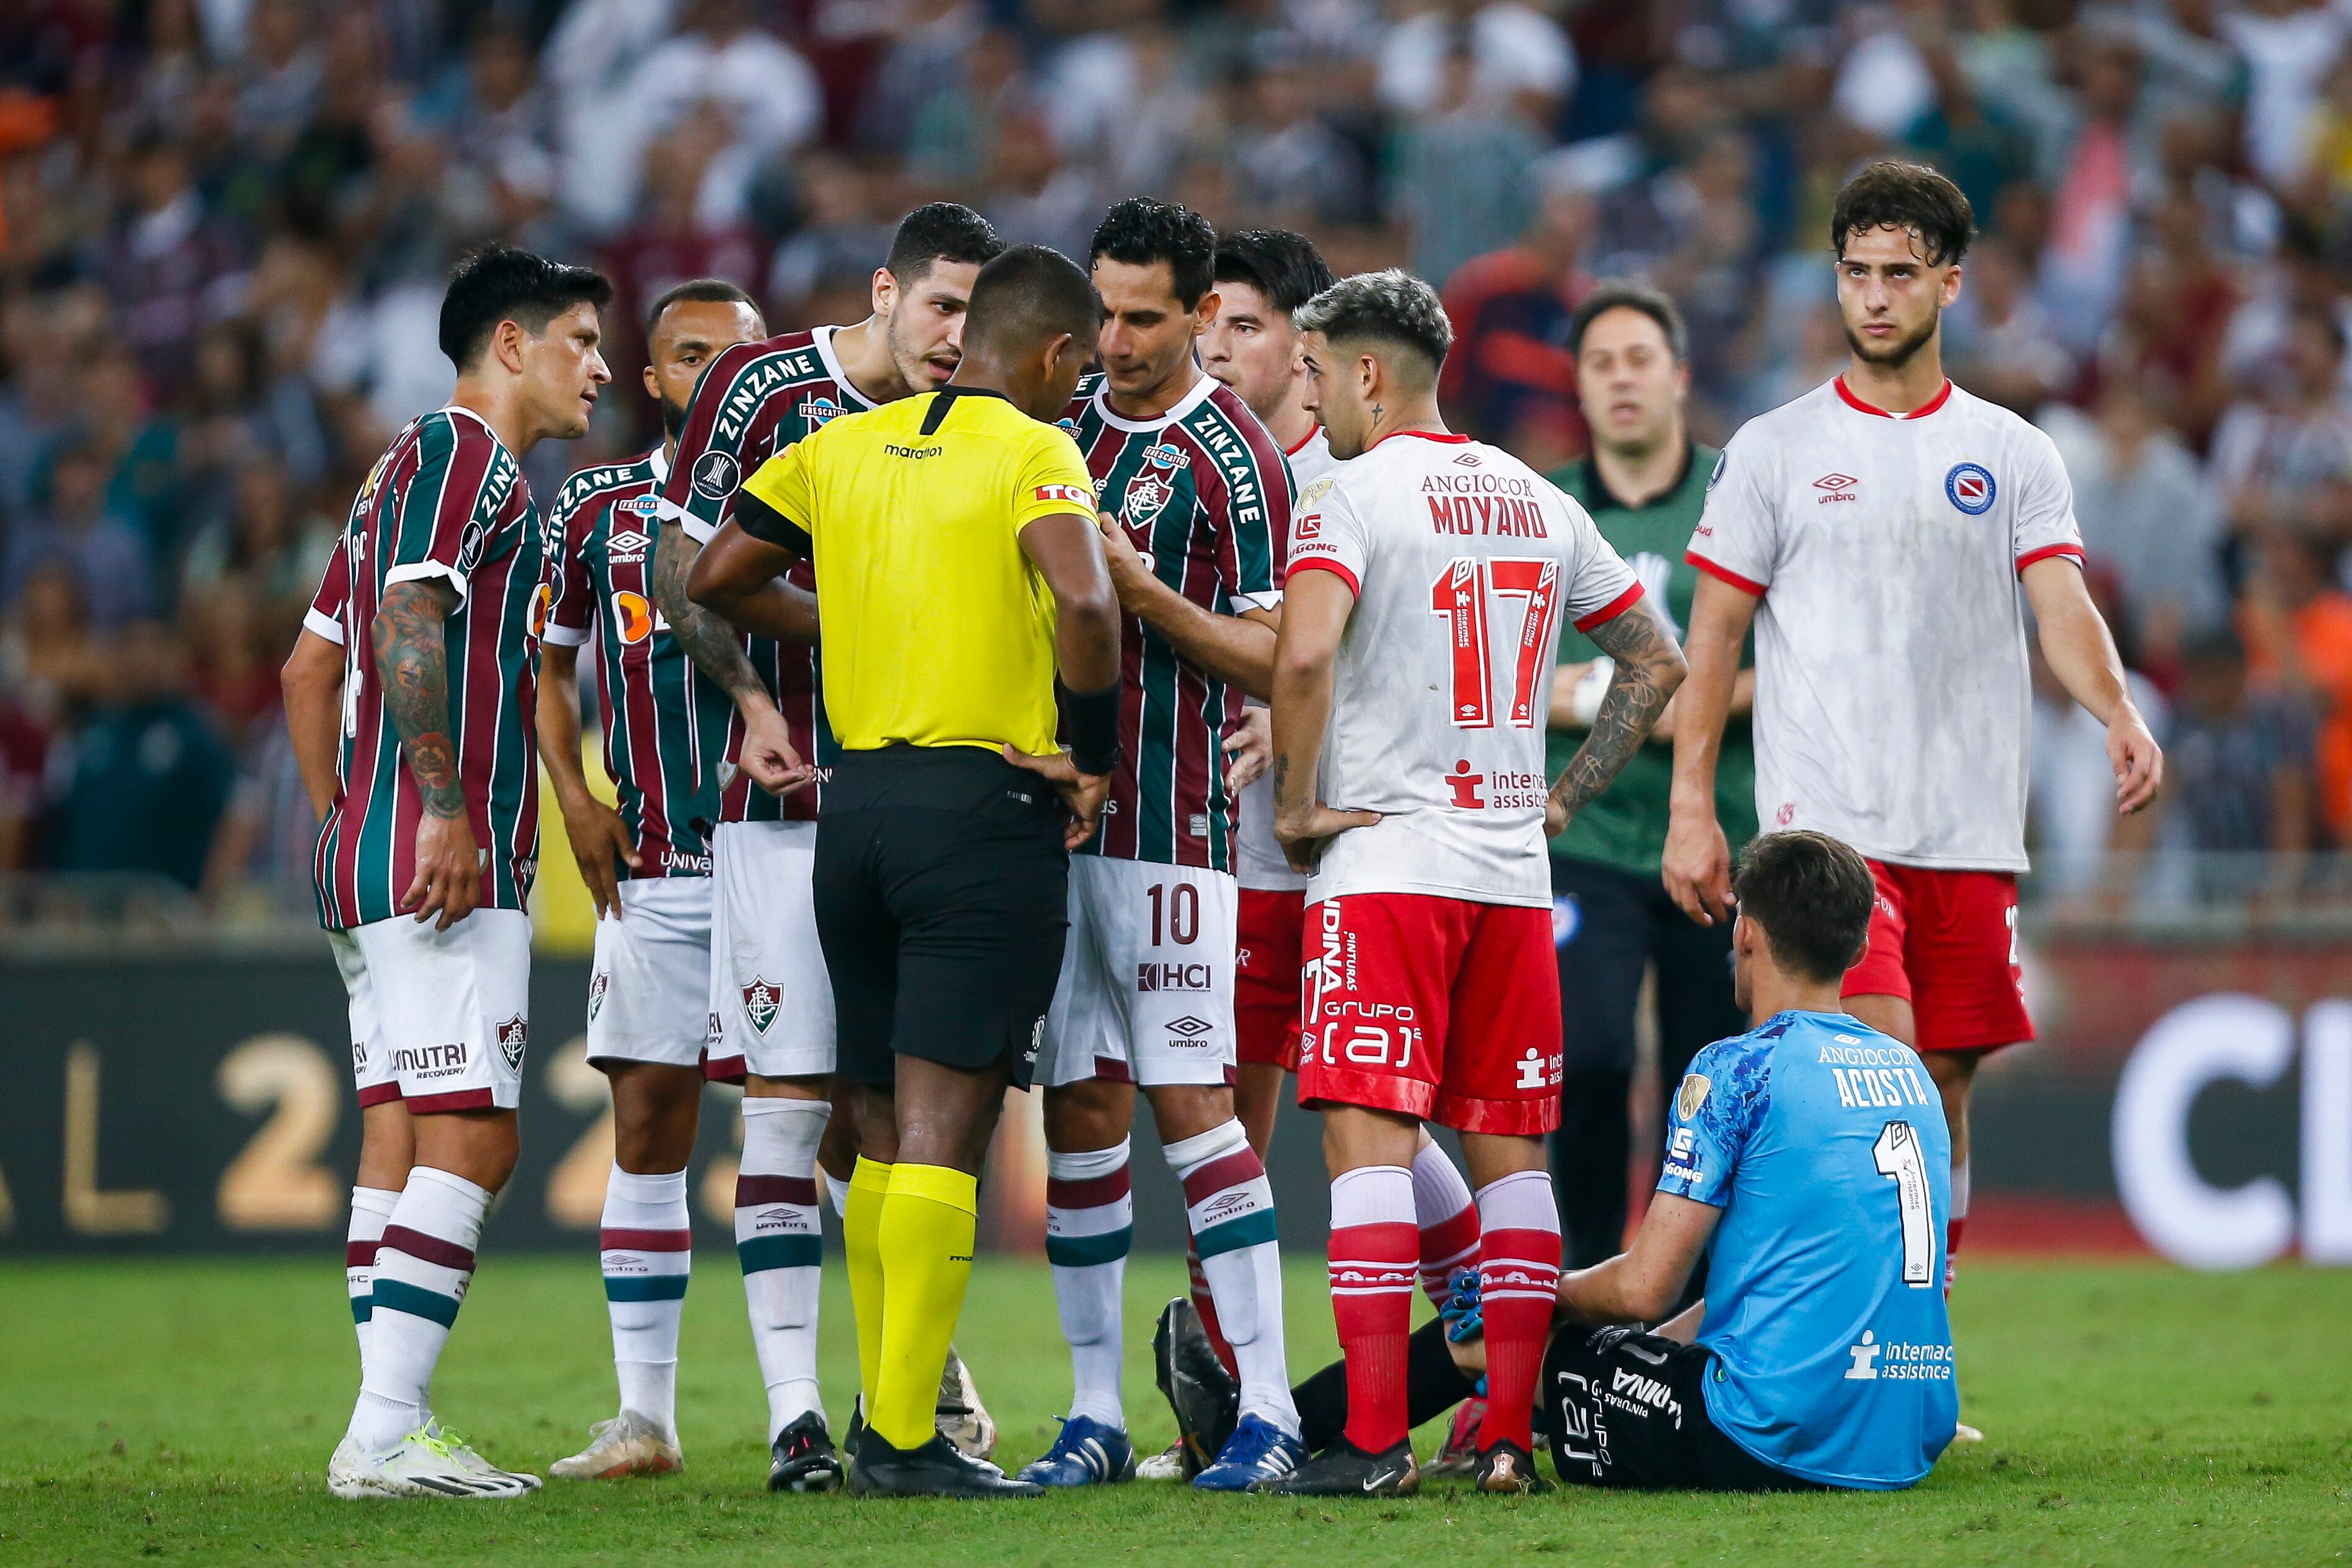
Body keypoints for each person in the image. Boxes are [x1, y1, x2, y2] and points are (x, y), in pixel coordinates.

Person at [1664, 162, 2163, 1441]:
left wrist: (2115, 709)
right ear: (1835, 276)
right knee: (1870, 1078)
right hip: (1828, 837)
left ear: (1951, 280)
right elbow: (1711, 643)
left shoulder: (2009, 453)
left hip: (1969, 834)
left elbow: (2062, 606)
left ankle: (1913, 1356)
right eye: (1856, 271)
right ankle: (1836, 1364)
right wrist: (1691, 808)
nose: (1875, 296)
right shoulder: (1776, 451)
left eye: (1901, 273)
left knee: (1938, 1100)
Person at [687, 243, 1121, 1500]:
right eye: (1076, 368)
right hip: (979, 816)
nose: (1078, 389)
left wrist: (862, 614)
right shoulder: (1036, 452)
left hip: (855, 817)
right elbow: (1088, 607)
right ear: (1049, 355)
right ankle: (904, 1439)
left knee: (874, 1125)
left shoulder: (843, 443)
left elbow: (711, 578)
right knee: (947, 1126)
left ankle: (889, 1418)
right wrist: (1087, 758)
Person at [1163, 831, 1961, 1494]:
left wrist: (1536, 1298)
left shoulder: (1741, 1068)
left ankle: (1269, 1425)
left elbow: (1645, 1287)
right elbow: (1764, 1294)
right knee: (1520, 1314)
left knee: (1502, 1326)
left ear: (1745, 931)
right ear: (1859, 944)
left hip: (1772, 1437)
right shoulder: (1911, 1073)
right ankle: (1288, 1420)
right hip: (1907, 1426)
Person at [1267, 269, 1685, 1497]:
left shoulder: (1347, 492)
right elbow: (1653, 662)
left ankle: (1376, 1440)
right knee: (1513, 1163)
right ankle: (1508, 1434)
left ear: (1369, 375)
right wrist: (1564, 797)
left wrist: (1296, 801)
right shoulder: (1535, 496)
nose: (1311, 391)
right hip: (1511, 878)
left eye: (1316, 368)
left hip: (1387, 866)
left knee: (1369, 1149)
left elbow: (1301, 650)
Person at [648, 203, 1007, 1489]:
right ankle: (799, 1415)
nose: (959, 339)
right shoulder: (763, 384)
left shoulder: (986, 415)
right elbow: (680, 549)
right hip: (787, 802)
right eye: (943, 307)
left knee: (909, 1114)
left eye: (979, 315)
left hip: (934, 805)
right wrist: (752, 700)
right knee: (794, 1101)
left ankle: (903, 1396)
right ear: (886, 291)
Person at [298, 243, 612, 1500]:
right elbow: (410, 618)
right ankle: (386, 1429)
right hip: (441, 859)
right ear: (514, 344)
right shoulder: (468, 457)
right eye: (581, 339)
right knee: (474, 1141)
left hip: (368, 860)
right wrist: (432, 808)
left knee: (398, 1141)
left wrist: (347, 825)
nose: (600, 365)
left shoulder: (394, 474)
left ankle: (386, 1422)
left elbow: (305, 671)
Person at [1184, 227, 1490, 1486]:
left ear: (1314, 357)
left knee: (1336, 1114)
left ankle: (1468, 1336)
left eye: (1248, 329)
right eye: (1209, 327)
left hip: (1329, 857)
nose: (1219, 350)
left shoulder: (1343, 477)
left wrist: (1298, 712)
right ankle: (1244, 1400)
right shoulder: (1189, 468)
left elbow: (1377, 650)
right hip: (1210, 852)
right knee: (1227, 1131)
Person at [1028, 198, 1305, 1494]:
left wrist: (1144, 596)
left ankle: (1268, 1412)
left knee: (1194, 1109)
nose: (1118, 339)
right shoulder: (1056, 427)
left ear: (1200, 314)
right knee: (1078, 1104)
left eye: (1145, 316)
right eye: (1105, 312)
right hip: (1052, 827)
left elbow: (1274, 656)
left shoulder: (1236, 458)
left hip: (1174, 830)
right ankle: (1090, 1411)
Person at [532, 280, 764, 1484]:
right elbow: (547, 659)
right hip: (657, 862)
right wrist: (574, 796)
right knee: (648, 1124)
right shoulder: (593, 504)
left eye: (737, 355)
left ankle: (924, 1383)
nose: (715, 373)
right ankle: (647, 1419)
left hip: (783, 849)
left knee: (829, 1129)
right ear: (657, 377)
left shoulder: (810, 488)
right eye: (690, 356)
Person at [1545, 282, 1751, 1276]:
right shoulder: (1536, 506)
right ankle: (1585, 1286)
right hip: (1579, 836)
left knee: (1704, 1088)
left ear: (1679, 377)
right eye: (1600, 363)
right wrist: (1593, 698)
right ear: (1578, 389)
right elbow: (1484, 668)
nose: (1621, 378)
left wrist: (1688, 701)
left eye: (1639, 359)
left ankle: (1690, 1311)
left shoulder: (1739, 495)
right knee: (1587, 1060)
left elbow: (1800, 658)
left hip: (1721, 833)